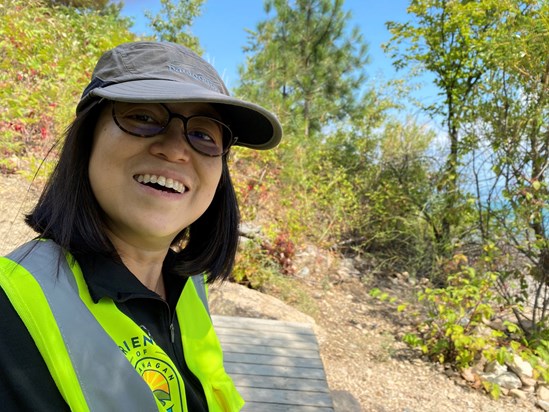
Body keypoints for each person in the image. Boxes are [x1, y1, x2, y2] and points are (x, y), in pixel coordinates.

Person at [0, 41, 282, 411]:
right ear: (87, 138)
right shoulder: (10, 314)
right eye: (144, 117)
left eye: (203, 135)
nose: (177, 150)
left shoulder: (186, 282)